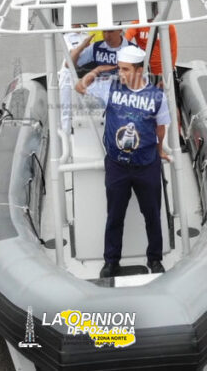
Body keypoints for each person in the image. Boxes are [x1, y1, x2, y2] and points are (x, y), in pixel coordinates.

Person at [75, 46, 169, 277]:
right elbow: (80, 86)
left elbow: (160, 127)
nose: (121, 73)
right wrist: (97, 69)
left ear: (139, 70)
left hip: (147, 165)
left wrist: (159, 150)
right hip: (117, 166)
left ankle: (154, 259)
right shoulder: (110, 87)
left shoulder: (157, 97)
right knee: (114, 216)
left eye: (126, 69)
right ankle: (111, 262)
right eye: (120, 68)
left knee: (152, 216)